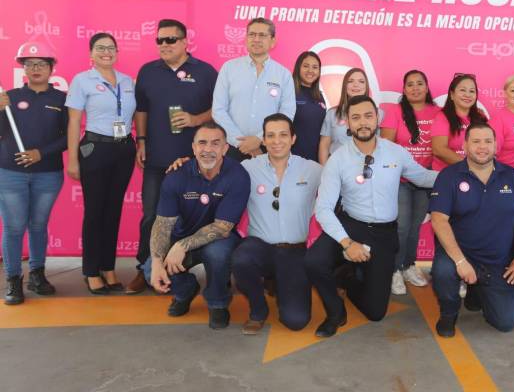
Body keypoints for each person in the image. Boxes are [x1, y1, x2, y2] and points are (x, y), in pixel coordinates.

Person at [305, 95, 437, 338]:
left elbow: (423, 177)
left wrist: (462, 173)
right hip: (351, 225)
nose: (363, 122)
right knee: (313, 261)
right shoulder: (338, 160)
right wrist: (347, 243)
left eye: (368, 116)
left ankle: (347, 277)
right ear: (348, 124)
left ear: (378, 118)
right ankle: (335, 311)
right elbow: (323, 209)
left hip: (384, 233)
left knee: (376, 313)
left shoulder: (396, 153)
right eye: (356, 118)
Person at [128, 19, 218, 294]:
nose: (164, 45)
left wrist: (195, 119)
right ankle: (145, 269)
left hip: (197, 163)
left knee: (204, 218)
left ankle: (217, 275)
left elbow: (220, 110)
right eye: (160, 40)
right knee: (152, 216)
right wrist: (141, 141)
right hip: (157, 159)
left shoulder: (205, 72)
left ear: (185, 42)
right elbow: (141, 110)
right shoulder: (147, 71)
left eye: (170, 40)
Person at [429, 122, 514, 337]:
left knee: (505, 322)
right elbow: (439, 220)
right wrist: (461, 262)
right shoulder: (449, 176)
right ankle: (448, 312)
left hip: (496, 260)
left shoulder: (512, 176)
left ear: (496, 145)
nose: (483, 147)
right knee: (443, 272)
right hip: (458, 254)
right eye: (476, 141)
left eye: (488, 141)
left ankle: (478, 290)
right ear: (465, 145)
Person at [147, 122, 249, 329]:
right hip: (184, 234)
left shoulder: (238, 175)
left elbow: (222, 227)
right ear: (193, 148)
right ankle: (185, 290)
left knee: (217, 253)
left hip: (221, 238)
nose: (208, 149)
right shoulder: (176, 175)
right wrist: (158, 262)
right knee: (151, 268)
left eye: (215, 143)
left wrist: (182, 246)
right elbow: (162, 225)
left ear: (225, 148)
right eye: (202, 143)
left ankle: (217, 303)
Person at [232, 113, 322, 333]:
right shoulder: (247, 168)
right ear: (263, 139)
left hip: (295, 252)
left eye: (283, 135)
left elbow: (342, 179)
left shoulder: (313, 170)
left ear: (293, 139)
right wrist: (186, 163)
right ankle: (258, 309)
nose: (276, 141)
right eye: (270, 135)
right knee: (241, 259)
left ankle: (280, 284)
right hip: (259, 247)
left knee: (296, 321)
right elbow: (214, 172)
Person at [66, 33, 137, 294]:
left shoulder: (128, 81)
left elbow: (136, 115)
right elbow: (73, 122)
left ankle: (108, 267)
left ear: (117, 52)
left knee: (113, 211)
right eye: (100, 48)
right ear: (91, 53)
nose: (106, 52)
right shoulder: (82, 81)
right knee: (95, 212)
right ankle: (91, 271)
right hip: (95, 150)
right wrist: (73, 159)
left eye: (111, 48)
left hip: (124, 150)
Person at [0, 42, 67, 305]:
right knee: (14, 227)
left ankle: (37, 274)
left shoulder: (62, 100)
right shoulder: (10, 97)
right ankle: (14, 278)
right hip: (10, 172)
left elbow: (68, 138)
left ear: (52, 68)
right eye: (29, 64)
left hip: (48, 173)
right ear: (23, 69)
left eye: (41, 64)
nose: (35, 68)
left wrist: (42, 152)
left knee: (38, 225)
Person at [380, 70, 440, 295]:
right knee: (402, 227)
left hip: (427, 180)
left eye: (420, 84)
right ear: (404, 89)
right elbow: (386, 146)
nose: (415, 88)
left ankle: (409, 265)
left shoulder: (438, 112)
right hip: (401, 180)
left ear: (427, 87)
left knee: (415, 227)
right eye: (410, 85)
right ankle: (394, 269)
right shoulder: (395, 111)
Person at [212, 17, 295, 162]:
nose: (256, 39)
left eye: (262, 35)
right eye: (252, 34)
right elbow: (218, 110)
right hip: (231, 147)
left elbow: (287, 113)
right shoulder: (229, 68)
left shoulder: (283, 74)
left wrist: (259, 138)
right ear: (246, 38)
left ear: (273, 41)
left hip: (268, 148)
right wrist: (240, 142)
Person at [431, 73, 487, 172]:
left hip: (475, 174)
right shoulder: (442, 117)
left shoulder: (481, 117)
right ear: (452, 95)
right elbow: (438, 149)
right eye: (462, 90)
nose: (468, 95)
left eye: (472, 91)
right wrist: (470, 166)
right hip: (448, 174)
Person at [318, 68, 370, 164]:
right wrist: (324, 171)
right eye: (350, 81)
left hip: (367, 170)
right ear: (345, 86)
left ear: (366, 86)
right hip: (337, 168)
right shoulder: (332, 113)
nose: (356, 85)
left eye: (361, 81)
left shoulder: (378, 114)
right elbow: (324, 146)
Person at [290, 51, 326, 162]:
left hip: (316, 158)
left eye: (315, 67)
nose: (310, 71)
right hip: (294, 157)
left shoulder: (319, 95)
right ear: (298, 68)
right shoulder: (289, 92)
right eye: (306, 66)